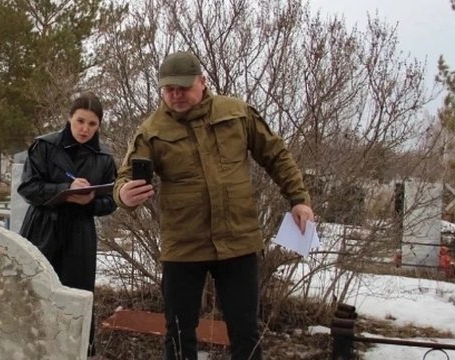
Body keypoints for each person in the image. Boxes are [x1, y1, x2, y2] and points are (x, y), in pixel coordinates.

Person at [113, 51, 315, 360]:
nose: (176, 95)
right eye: (169, 90)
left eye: (183, 87)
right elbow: (125, 176)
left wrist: (298, 199)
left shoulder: (236, 113)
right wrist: (123, 195)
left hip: (238, 241)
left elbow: (276, 155)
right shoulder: (151, 130)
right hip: (184, 246)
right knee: (179, 335)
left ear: (202, 82)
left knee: (245, 331)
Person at [18, 92, 117, 358]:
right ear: (70, 118)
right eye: (80, 121)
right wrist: (64, 189)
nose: (85, 129)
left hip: (79, 233)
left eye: (92, 124)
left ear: (99, 125)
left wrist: (90, 202)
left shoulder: (104, 158)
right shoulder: (45, 146)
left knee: (78, 295)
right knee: (34, 292)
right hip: (42, 228)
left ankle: (77, 351)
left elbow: (111, 200)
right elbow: (28, 188)